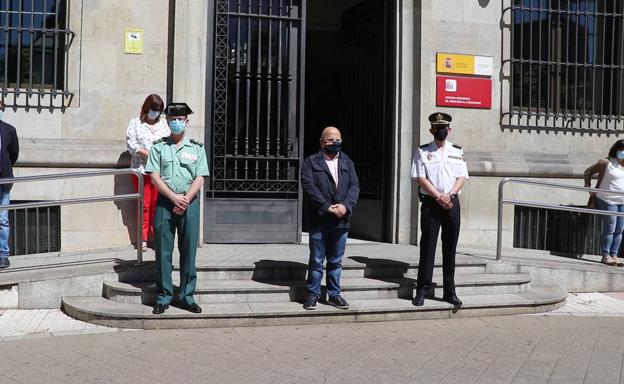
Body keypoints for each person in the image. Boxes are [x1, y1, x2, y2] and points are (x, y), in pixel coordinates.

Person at [145, 102, 209, 314]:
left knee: (188, 251)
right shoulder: (158, 147)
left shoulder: (197, 148)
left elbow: (200, 177)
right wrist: (173, 197)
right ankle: (163, 296)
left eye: (180, 120)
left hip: (189, 204)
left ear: (186, 122)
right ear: (167, 121)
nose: (176, 123)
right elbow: (154, 176)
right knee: (163, 252)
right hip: (165, 202)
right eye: (172, 120)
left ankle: (187, 296)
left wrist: (186, 199)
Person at [411, 112, 468, 308]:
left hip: (451, 203)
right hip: (431, 203)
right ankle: (422, 289)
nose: (441, 130)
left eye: (444, 127)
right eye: (437, 128)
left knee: (450, 248)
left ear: (449, 129)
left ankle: (449, 291)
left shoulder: (457, 151)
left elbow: (462, 177)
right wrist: (439, 196)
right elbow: (420, 178)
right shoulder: (422, 151)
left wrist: (449, 195)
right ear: (431, 130)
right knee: (427, 247)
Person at [301, 126, 359, 310]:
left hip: (341, 220)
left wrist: (346, 206)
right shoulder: (310, 162)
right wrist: (327, 207)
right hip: (319, 219)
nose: (334, 143)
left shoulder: (347, 162)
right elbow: (309, 188)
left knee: (336, 261)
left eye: (338, 140)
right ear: (321, 141)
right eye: (330, 140)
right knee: (317, 261)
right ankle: (313, 294)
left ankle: (334, 294)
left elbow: (354, 186)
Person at [126, 94, 170, 251]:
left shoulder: (164, 124)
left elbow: (169, 143)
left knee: (157, 206)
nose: (156, 113)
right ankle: (142, 238)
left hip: (160, 172)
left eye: (159, 110)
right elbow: (131, 145)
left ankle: (155, 236)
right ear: (146, 108)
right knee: (144, 205)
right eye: (153, 109)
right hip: (142, 170)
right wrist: (147, 153)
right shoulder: (135, 123)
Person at [584, 139, 624, 266]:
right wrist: (588, 188)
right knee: (610, 228)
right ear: (615, 150)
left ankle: (614, 255)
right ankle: (605, 256)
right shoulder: (606, 163)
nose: (623, 153)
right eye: (621, 150)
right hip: (607, 200)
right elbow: (588, 172)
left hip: (622, 201)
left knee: (620, 230)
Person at [0, 101, 18, 269]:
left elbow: (13, 154)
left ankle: (3, 255)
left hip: (3, 181)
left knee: (2, 219)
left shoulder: (9, 130)